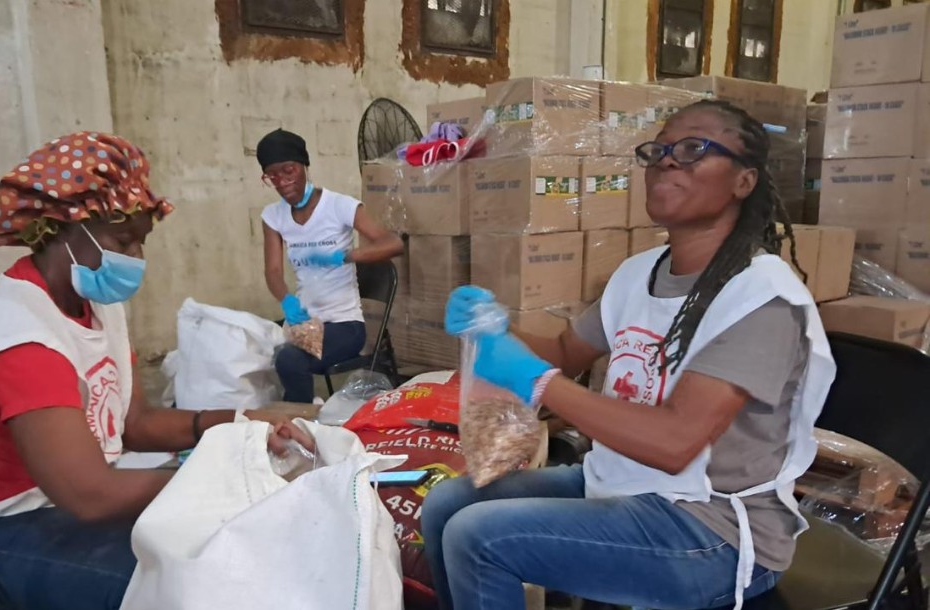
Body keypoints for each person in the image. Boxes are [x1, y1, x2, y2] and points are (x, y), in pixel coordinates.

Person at [422, 100, 837, 610]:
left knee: (479, 536)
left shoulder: (761, 299)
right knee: (446, 504)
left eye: (693, 150)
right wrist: (496, 326)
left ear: (743, 182)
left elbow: (675, 443)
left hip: (712, 530)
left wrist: (538, 381)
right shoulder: (638, 274)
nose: (666, 161)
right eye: (658, 150)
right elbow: (566, 353)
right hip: (622, 484)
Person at [0, 133, 308, 610]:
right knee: (196, 583)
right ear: (58, 228)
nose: (135, 259)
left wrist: (240, 426)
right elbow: (89, 495)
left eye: (140, 242)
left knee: (236, 544)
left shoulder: (92, 303)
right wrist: (227, 474)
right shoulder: (21, 336)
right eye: (122, 241)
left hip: (50, 511)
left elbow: (133, 424)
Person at [258, 129, 403, 402]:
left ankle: (300, 424)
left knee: (289, 359)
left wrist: (346, 257)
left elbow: (394, 244)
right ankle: (300, 415)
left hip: (344, 325)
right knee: (254, 344)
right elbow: (273, 271)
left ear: (304, 166)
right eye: (272, 176)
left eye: (288, 171)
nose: (283, 182)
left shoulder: (338, 206)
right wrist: (287, 299)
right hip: (305, 320)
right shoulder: (273, 216)